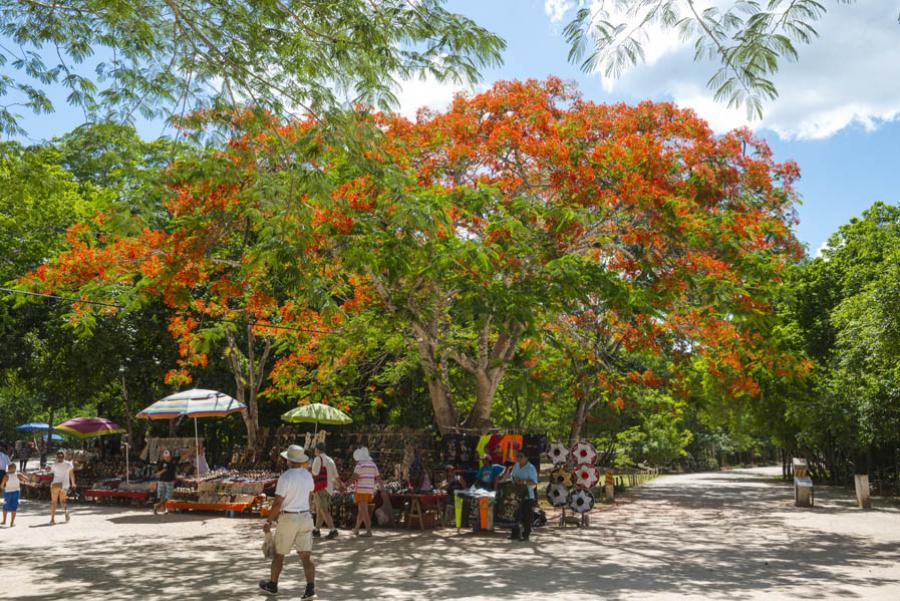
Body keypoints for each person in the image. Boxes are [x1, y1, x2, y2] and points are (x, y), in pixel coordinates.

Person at [259, 445, 316, 600]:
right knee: (306, 555)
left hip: (289, 518)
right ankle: (311, 588)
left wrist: (269, 521)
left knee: (279, 555)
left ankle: (273, 585)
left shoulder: (285, 477)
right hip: (305, 517)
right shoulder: (307, 475)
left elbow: (278, 503)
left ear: (289, 460)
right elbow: (310, 492)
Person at [506, 450, 538, 542]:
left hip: (527, 495)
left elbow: (534, 483)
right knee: (514, 514)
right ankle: (515, 534)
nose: (518, 458)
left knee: (526, 516)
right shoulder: (516, 465)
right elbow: (512, 476)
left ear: (526, 457)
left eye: (521, 456)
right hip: (516, 494)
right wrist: (514, 480)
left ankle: (526, 535)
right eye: (517, 456)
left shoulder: (531, 468)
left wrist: (523, 482)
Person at [349, 447, 380, 537]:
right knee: (361, 510)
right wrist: (381, 488)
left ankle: (368, 531)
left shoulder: (360, 464)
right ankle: (357, 529)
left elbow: (354, 477)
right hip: (369, 490)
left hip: (361, 489)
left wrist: (346, 485)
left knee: (364, 510)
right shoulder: (373, 465)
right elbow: (378, 477)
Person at [310, 442, 339, 540]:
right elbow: (336, 475)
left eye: (315, 449)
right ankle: (316, 530)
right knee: (319, 510)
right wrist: (341, 485)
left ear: (317, 450)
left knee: (323, 510)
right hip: (329, 489)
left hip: (320, 487)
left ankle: (332, 530)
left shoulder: (318, 459)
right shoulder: (330, 460)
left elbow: (314, 472)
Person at [50, 450, 76, 525]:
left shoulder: (54, 465)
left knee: (53, 502)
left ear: (57, 457)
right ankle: (66, 512)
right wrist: (73, 484)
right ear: (64, 456)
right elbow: (72, 475)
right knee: (63, 501)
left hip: (55, 485)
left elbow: (51, 472)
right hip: (65, 485)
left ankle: (52, 519)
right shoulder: (68, 464)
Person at [2, 463, 27, 527]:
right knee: (14, 508)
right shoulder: (18, 475)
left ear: (8, 469)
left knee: (5, 507)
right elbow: (26, 479)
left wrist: (5, 488)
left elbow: (1, 486)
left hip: (7, 493)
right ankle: (12, 523)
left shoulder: (6, 476)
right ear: (15, 468)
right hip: (16, 493)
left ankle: (4, 521)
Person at [153, 449, 178, 515]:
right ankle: (163, 508)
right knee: (162, 495)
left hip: (170, 481)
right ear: (163, 457)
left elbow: (184, 457)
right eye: (166, 457)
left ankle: (158, 506)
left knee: (168, 496)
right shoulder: (161, 463)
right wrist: (162, 471)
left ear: (170, 456)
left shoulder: (174, 460)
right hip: (162, 481)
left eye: (168, 456)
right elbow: (157, 473)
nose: (167, 458)